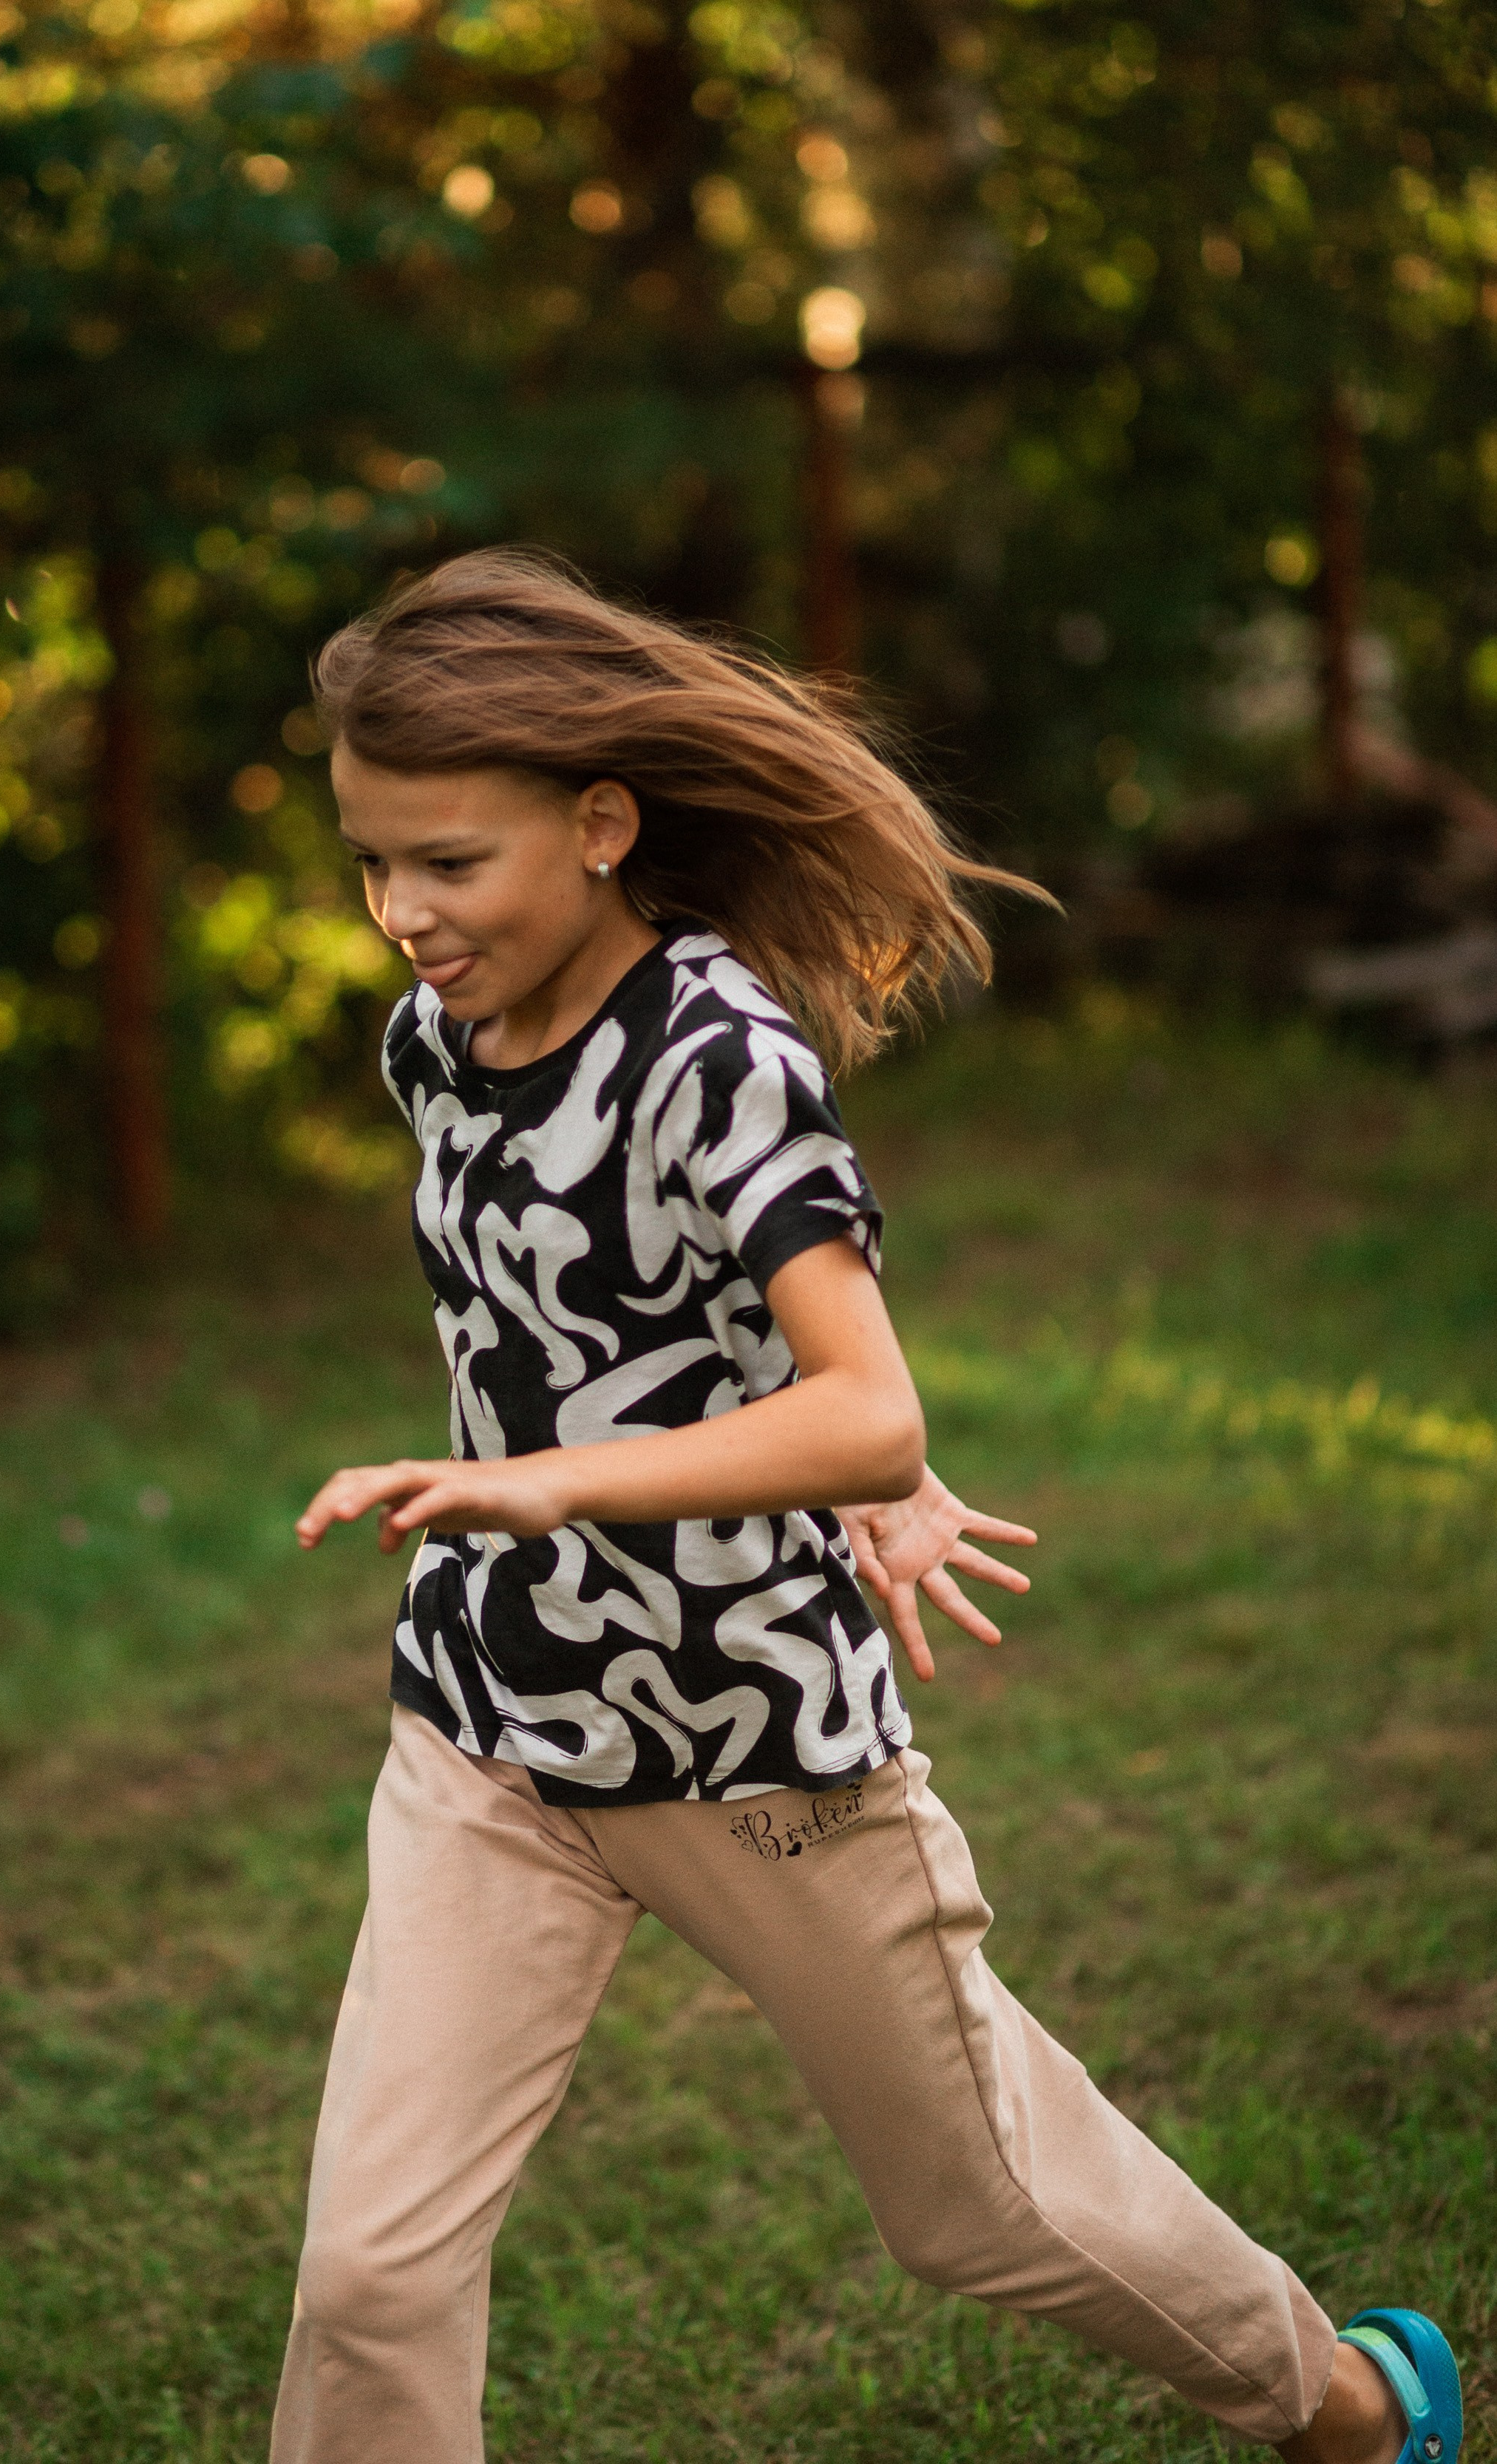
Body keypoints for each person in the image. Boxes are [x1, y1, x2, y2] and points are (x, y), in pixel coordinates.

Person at [271, 549, 1461, 2464]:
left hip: (753, 1749)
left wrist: (580, 1482)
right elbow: (651, 1339)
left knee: (977, 2211)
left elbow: (858, 1393)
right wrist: (804, 1470)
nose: (402, 913)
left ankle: (1344, 2407)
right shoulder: (442, 1039)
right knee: (372, 2283)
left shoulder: (714, 1055)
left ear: (596, 826)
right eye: (371, 861)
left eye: (447, 863)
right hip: (495, 1731)